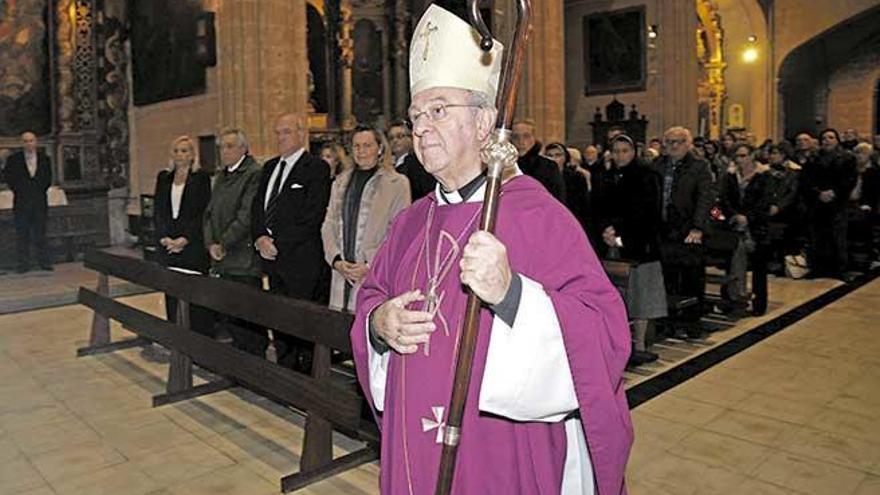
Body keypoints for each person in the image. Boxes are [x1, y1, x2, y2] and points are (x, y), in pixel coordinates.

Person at [350, 5, 633, 494]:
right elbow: (370, 298)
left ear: (484, 123)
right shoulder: (409, 222)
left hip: (500, 454)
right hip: (412, 447)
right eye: (416, 114)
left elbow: (605, 337)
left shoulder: (535, 216)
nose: (420, 127)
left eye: (439, 110)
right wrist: (379, 324)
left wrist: (514, 294)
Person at [251, 113, 332, 372]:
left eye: (286, 131)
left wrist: (278, 244)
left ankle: (307, 379)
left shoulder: (316, 168)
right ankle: (285, 374)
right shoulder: (269, 167)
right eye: (277, 132)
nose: (280, 137)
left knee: (303, 322)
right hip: (272, 260)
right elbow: (258, 208)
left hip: (301, 262)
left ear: (301, 133)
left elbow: (312, 217)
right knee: (280, 319)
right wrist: (260, 237)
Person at [322, 126, 410, 311]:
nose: (361, 151)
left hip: (375, 272)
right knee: (338, 332)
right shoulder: (340, 181)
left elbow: (399, 233)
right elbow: (328, 223)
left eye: (367, 145)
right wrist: (336, 260)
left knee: (367, 330)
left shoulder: (397, 183)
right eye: (356, 146)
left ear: (380, 148)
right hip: (341, 271)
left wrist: (369, 264)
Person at [597, 135, 666, 364]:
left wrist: (619, 234)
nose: (620, 155)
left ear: (633, 152)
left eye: (625, 150)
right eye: (616, 151)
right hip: (612, 241)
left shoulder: (647, 175)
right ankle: (619, 342)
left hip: (640, 243)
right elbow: (597, 205)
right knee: (619, 293)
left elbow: (647, 212)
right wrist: (605, 229)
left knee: (641, 295)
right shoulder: (607, 176)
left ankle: (640, 344)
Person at [203, 128, 266, 357]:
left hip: (243, 259)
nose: (224, 151)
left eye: (230, 146)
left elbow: (246, 216)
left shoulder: (253, 173)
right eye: (221, 147)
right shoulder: (222, 176)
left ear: (243, 148)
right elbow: (209, 213)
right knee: (231, 315)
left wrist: (223, 243)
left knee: (249, 316)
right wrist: (210, 243)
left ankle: (256, 365)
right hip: (223, 258)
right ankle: (239, 363)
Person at [653, 126, 715, 338]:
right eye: (669, 142)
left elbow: (706, 197)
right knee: (666, 276)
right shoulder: (658, 165)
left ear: (688, 144)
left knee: (691, 276)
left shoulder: (699, 166)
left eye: (678, 141)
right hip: (664, 227)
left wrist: (698, 227)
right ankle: (668, 320)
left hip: (689, 228)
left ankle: (691, 322)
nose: (673, 146)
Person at [153, 135, 214, 336]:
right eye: (177, 151)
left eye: (185, 150)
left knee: (195, 296)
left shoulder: (201, 178)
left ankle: (200, 342)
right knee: (172, 293)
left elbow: (202, 213)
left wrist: (185, 239)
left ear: (192, 155)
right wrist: (164, 238)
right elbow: (159, 211)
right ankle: (176, 338)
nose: (180, 155)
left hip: (192, 245)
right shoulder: (164, 177)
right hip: (169, 245)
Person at [718, 143, 773, 316]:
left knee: (758, 267)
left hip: (757, 226)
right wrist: (735, 216)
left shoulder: (764, 176)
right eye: (737, 156)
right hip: (734, 224)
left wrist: (748, 218)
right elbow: (725, 199)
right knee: (732, 262)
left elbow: (765, 201)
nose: (740, 160)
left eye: (743, 156)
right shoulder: (730, 176)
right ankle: (731, 299)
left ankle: (759, 303)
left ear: (751, 156)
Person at [801, 128, 858, 279]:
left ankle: (839, 269)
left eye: (831, 137)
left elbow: (850, 179)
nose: (827, 140)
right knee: (817, 236)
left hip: (838, 202)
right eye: (824, 138)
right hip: (817, 202)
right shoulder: (813, 158)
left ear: (837, 140)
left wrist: (834, 192)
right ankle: (818, 268)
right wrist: (818, 193)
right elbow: (806, 180)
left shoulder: (847, 158)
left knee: (837, 236)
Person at [4, 132, 53, 272]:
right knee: (22, 234)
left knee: (41, 233)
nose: (28, 144)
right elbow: (9, 178)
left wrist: (36, 191)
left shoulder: (45, 159)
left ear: (36, 142)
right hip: (22, 201)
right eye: (25, 141)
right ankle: (23, 264)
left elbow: (47, 179)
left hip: (39, 202)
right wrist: (22, 191)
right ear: (22, 143)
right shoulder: (14, 160)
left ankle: (44, 262)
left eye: (31, 140)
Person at [512, 118, 566, 202]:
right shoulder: (504, 166)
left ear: (534, 138)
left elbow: (557, 199)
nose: (521, 141)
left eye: (526, 136)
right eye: (515, 137)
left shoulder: (548, 166)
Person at [543, 142, 590, 233]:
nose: (553, 159)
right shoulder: (540, 178)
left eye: (558, 155)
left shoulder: (577, 177)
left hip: (572, 221)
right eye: (549, 155)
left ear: (565, 158)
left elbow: (583, 205)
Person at [388, 120, 436, 200]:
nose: (395, 141)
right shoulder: (387, 165)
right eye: (391, 138)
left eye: (400, 136)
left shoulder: (417, 164)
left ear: (411, 138)